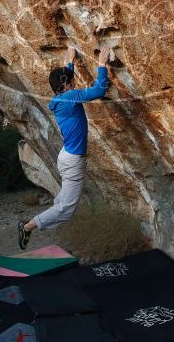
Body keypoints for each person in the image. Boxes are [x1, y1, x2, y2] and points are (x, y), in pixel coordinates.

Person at [18, 45, 112, 249]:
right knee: (67, 209)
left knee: (63, 201)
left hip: (67, 157)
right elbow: (98, 90)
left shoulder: (60, 98)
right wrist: (101, 65)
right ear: (66, 85)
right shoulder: (69, 97)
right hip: (72, 160)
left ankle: (47, 221)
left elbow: (64, 81)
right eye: (72, 81)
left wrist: (70, 61)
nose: (75, 83)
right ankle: (27, 227)